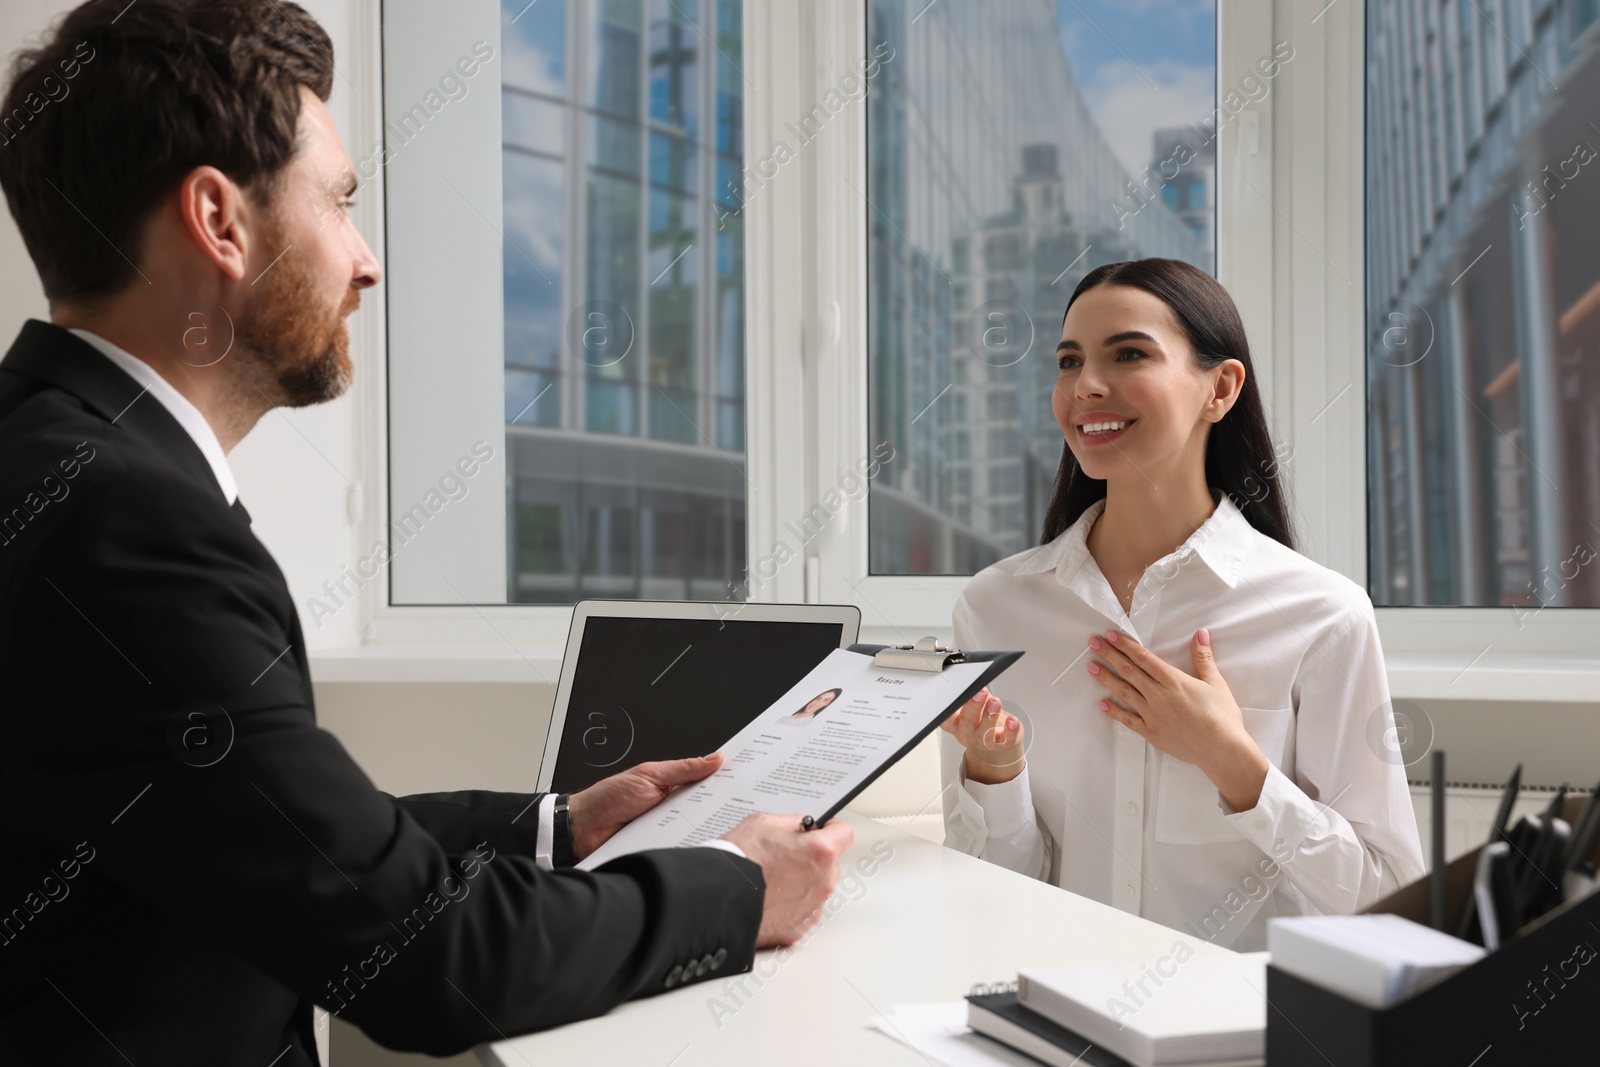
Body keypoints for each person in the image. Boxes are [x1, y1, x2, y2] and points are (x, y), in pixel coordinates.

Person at [0, 2, 851, 1063]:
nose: (366, 262)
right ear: (220, 221)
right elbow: (426, 962)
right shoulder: (127, 523)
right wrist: (735, 886)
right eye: (342, 203)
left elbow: (252, 834)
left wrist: (561, 825)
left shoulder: (57, 462)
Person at [938, 258, 1424, 952]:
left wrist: (1234, 764)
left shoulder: (1322, 616)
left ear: (1219, 388)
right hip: (1053, 1019)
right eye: (1069, 361)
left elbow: (1389, 901)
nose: (1087, 387)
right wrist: (994, 772)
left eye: (1129, 353)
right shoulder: (994, 610)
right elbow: (993, 898)